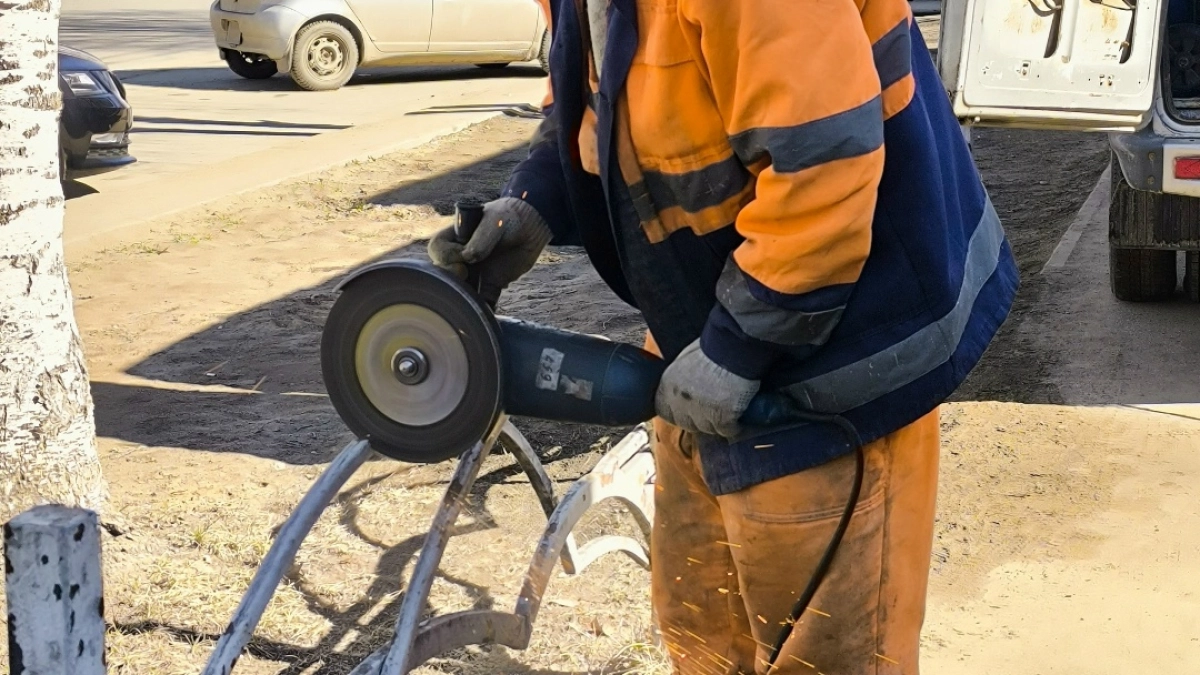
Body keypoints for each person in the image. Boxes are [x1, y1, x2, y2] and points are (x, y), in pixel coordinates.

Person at [428, 1, 1018, 672]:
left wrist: (736, 345)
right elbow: (602, 97)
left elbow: (823, 165)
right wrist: (534, 199)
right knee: (705, 629)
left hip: (843, 352)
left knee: (831, 652)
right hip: (706, 333)